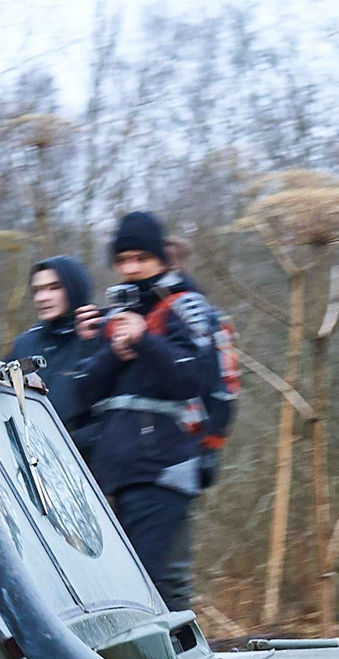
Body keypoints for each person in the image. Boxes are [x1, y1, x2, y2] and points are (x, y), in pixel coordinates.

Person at [72, 212, 218, 608]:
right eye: (123, 260)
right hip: (114, 474)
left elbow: (195, 381)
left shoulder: (185, 307)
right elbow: (83, 391)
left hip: (163, 470)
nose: (131, 268)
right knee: (136, 589)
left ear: (160, 259)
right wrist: (114, 353)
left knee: (149, 589)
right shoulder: (114, 315)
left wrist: (146, 341)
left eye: (140, 258)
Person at [6, 255, 103, 429]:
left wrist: (88, 345)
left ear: (75, 288)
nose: (42, 297)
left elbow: (73, 405)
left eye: (54, 288)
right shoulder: (26, 343)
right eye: (37, 290)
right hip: (30, 446)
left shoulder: (102, 336)